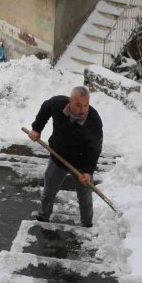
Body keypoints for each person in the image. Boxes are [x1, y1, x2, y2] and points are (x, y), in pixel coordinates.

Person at [27, 86, 103, 227]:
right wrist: (37, 128)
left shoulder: (94, 121)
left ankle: (87, 225)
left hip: (81, 165)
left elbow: (95, 150)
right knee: (48, 193)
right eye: (78, 105)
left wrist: (88, 171)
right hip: (58, 158)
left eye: (86, 105)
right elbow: (46, 108)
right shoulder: (57, 104)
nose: (83, 110)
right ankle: (43, 218)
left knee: (85, 198)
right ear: (70, 101)